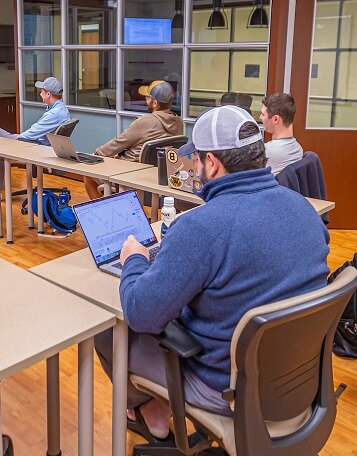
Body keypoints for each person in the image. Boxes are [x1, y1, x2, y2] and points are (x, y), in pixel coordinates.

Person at [94, 105, 331, 440]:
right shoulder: (304, 208)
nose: (192, 168)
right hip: (293, 379)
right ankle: (156, 408)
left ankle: (153, 411)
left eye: (197, 161)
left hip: (226, 388)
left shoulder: (201, 228)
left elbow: (141, 314)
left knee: (108, 332)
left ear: (212, 163)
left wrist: (135, 259)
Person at [83, 80, 184, 199]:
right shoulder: (179, 123)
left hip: (129, 175)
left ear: (155, 103)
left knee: (87, 173)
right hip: (157, 177)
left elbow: (118, 143)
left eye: (147, 97)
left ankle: (102, 213)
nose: (146, 100)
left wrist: (95, 154)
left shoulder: (146, 121)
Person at [0, 76, 70, 201]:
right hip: (39, 145)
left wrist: (19, 136)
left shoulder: (55, 113)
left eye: (42, 91)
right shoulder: (61, 108)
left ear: (48, 94)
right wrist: (19, 136)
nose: (40, 93)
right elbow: (37, 131)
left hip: (35, 148)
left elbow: (32, 134)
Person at [259, 92, 303, 175]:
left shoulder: (266, 152)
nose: (260, 117)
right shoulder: (298, 149)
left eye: (263, 114)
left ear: (276, 119)